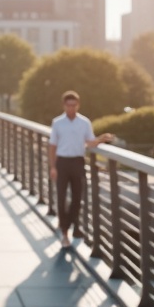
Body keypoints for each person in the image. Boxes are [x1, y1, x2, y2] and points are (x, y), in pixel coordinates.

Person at [48, 90, 115, 249]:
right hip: (62, 163)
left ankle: (69, 224)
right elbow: (52, 146)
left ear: (78, 105)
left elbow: (90, 142)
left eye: (74, 105)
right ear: (64, 105)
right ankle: (65, 233)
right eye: (68, 105)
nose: (71, 108)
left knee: (78, 198)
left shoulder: (84, 122)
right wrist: (52, 167)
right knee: (62, 197)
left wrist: (101, 139)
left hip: (78, 162)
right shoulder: (57, 123)